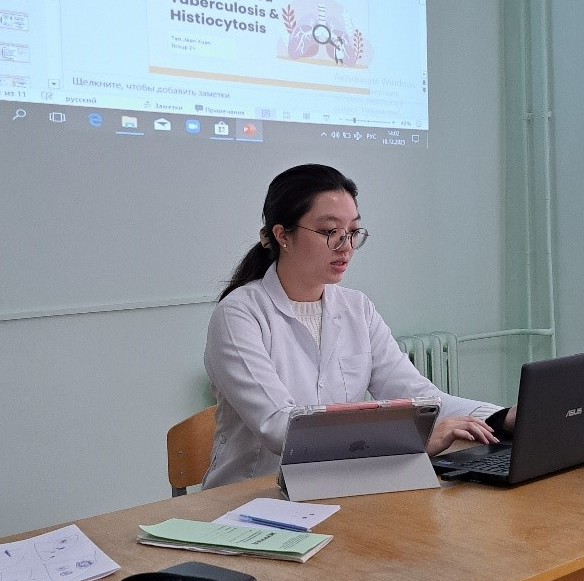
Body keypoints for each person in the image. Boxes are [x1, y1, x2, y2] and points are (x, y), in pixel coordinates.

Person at [202, 163, 515, 487]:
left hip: (340, 483)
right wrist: (413, 443)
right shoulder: (239, 315)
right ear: (282, 235)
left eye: (352, 232)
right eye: (329, 232)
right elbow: (280, 428)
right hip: (252, 497)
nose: (346, 246)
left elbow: (419, 397)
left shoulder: (357, 308)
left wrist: (504, 417)